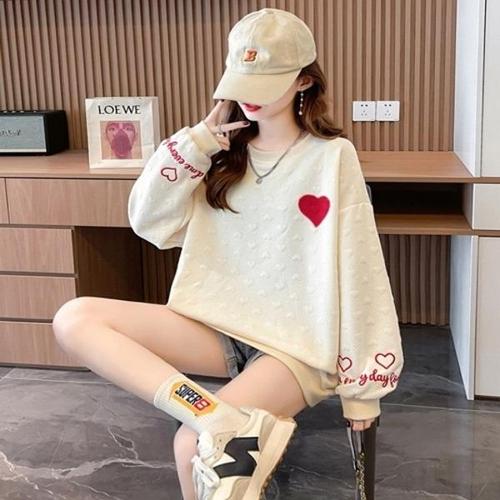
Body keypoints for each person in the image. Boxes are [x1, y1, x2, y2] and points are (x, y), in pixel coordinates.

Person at [52, 7, 404, 500]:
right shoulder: (214, 154)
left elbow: (361, 268)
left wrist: (362, 395)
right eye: (243, 82)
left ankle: (213, 430)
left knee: (190, 446)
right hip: (219, 327)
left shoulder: (331, 157)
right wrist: (196, 142)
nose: (250, 97)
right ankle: (219, 419)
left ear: (304, 81)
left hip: (294, 346)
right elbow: (149, 222)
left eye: (267, 83)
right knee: (74, 317)